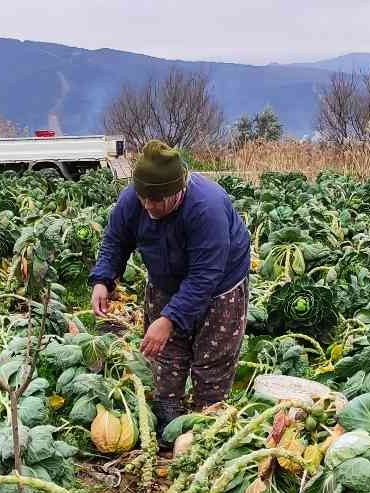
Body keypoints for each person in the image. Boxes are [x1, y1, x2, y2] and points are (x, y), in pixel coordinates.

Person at [89, 140, 252, 434]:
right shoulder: (134, 200)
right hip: (164, 278)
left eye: (157, 199)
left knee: (212, 359)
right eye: (144, 198)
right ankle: (168, 418)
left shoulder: (206, 208)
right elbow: (115, 241)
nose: (149, 206)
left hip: (220, 286)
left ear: (178, 190)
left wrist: (169, 319)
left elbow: (205, 276)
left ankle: (207, 424)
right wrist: (103, 279)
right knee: (164, 354)